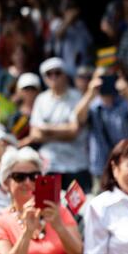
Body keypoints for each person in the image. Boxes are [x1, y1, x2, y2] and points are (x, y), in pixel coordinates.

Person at [74, 68, 128, 185]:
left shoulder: (124, 102)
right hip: (100, 168)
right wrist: (90, 93)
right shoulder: (92, 104)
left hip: (124, 165)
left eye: (109, 78)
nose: (105, 82)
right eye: (101, 78)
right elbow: (78, 117)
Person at [29, 57, 89, 191]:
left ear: (65, 75)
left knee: (77, 210)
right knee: (46, 207)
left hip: (76, 165)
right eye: (49, 74)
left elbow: (74, 132)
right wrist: (64, 130)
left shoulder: (78, 97)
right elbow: (35, 135)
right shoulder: (41, 99)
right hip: (48, 165)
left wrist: (47, 130)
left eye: (57, 73)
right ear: (44, 78)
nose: (53, 77)